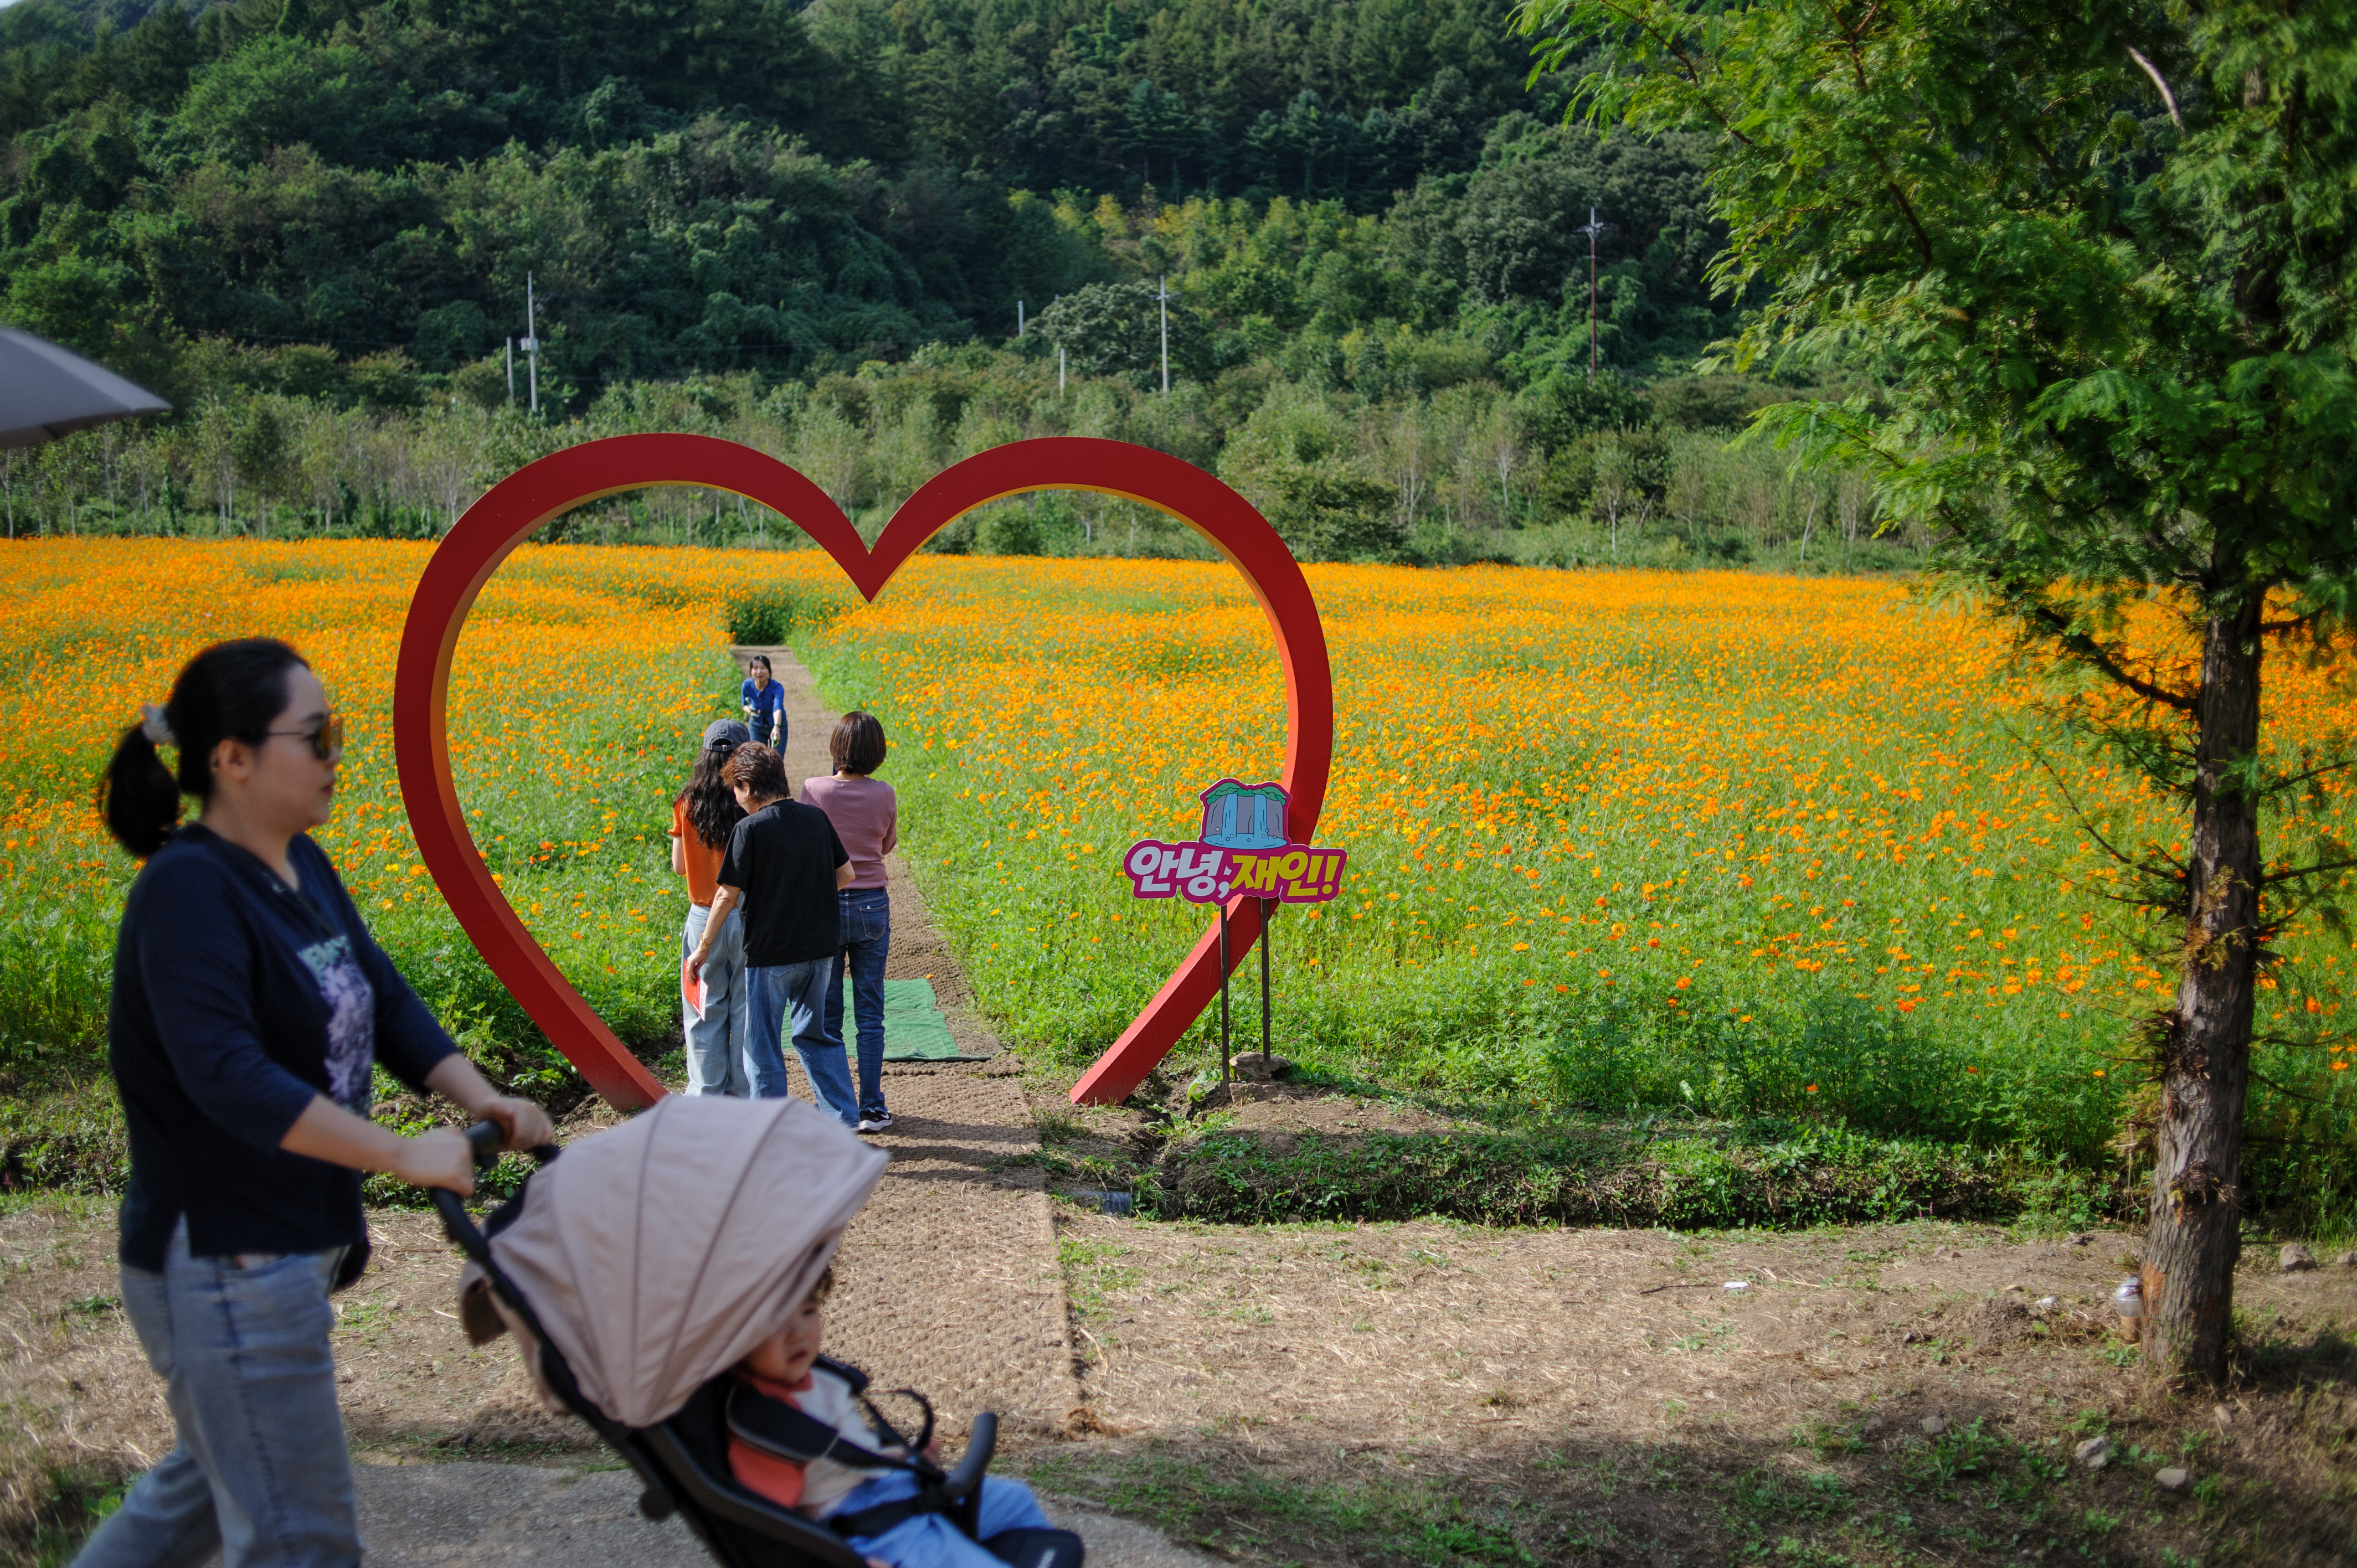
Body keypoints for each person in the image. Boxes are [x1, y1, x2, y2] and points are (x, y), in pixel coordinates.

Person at [80, 638, 554, 1568]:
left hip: (280, 1242)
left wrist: (483, 1098)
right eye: (317, 736)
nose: (337, 754)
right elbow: (228, 1076)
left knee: (201, 1498)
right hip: (224, 1254)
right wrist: (402, 1152)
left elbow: (383, 999)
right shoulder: (188, 892)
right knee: (303, 1542)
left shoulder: (299, 864)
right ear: (233, 758)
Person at [728, 1267, 1064, 1568]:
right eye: (777, 1323)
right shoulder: (762, 1422)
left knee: (1016, 1500)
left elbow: (846, 1458)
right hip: (871, 1529)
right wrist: (848, 1559)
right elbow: (775, 1528)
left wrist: (901, 1458)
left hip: (890, 1484)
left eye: (808, 1311)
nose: (798, 1334)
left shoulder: (815, 1377)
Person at [687, 744, 857, 1123]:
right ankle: (844, 1119)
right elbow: (847, 874)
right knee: (817, 1036)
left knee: (762, 1046)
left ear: (748, 787)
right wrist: (808, 895)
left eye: (736, 788)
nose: (736, 798)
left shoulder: (749, 830)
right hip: (820, 949)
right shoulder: (816, 818)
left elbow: (726, 895)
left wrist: (703, 947)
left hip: (771, 955)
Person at [804, 711, 898, 1134]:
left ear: (836, 747)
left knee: (828, 1013)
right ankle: (872, 1107)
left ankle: (836, 1106)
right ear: (877, 752)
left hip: (826, 904)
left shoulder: (813, 789)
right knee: (870, 1011)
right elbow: (887, 844)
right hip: (872, 904)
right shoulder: (885, 793)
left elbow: (807, 844)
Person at [670, 720, 752, 1097]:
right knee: (747, 1012)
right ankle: (743, 1098)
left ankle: (706, 1098)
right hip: (747, 917)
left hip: (703, 919)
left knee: (703, 1011)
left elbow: (679, 866)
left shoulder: (686, 803)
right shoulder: (749, 803)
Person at [741, 654, 786, 752]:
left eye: (763, 668)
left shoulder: (777, 687)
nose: (759, 672)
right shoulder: (747, 686)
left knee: (776, 759)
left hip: (777, 725)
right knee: (756, 757)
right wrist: (750, 711)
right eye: (755, 668)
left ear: (769, 670)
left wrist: (777, 726)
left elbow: (777, 708)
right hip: (756, 726)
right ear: (751, 671)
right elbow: (744, 705)